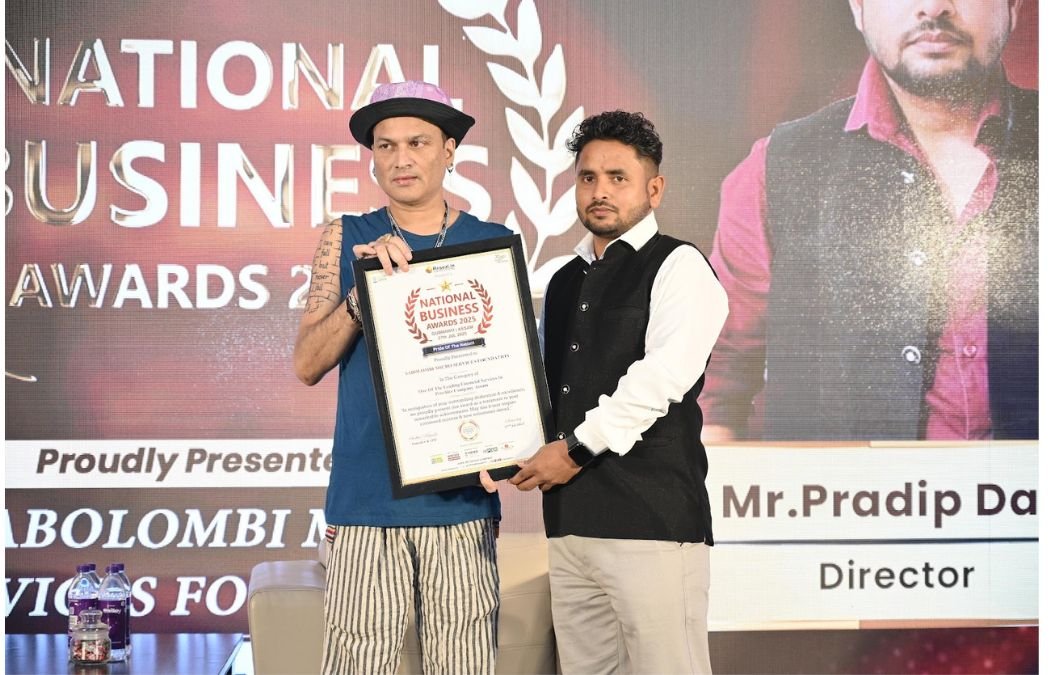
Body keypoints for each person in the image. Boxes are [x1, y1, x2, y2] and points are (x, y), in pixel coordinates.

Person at [700, 0, 1037, 442]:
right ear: (858, 8)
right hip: (836, 488)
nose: (934, 7)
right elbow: (713, 393)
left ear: (1012, 6)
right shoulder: (777, 170)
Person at [292, 81, 510, 675]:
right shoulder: (346, 236)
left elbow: (507, 374)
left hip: (461, 505)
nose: (401, 158)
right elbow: (307, 364)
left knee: (464, 666)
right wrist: (362, 295)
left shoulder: (491, 242)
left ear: (449, 150)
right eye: (385, 146)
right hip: (365, 502)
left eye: (417, 142)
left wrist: (510, 448)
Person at [509, 110, 727, 674]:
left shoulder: (680, 266)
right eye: (588, 178)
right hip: (570, 525)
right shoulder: (563, 281)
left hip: (652, 523)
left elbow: (661, 378)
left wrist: (573, 451)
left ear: (654, 189)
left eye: (618, 177)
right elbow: (546, 392)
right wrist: (496, 449)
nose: (599, 191)